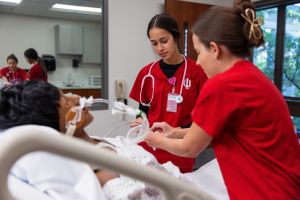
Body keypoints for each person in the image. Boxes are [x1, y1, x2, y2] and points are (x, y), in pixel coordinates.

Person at [145, 0, 300, 199]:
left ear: (215, 49)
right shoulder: (252, 76)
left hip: (265, 192)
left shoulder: (222, 85)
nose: (199, 62)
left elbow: (190, 148)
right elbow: (227, 128)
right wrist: (176, 132)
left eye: (199, 53)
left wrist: (156, 140)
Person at [0, 80, 228, 199]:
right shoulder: (97, 169)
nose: (76, 98)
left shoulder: (99, 140)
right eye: (67, 102)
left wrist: (174, 133)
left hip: (191, 182)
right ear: (57, 124)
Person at [129, 13, 208, 173]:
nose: (159, 48)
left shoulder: (197, 72)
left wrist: (178, 132)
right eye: (154, 43)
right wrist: (139, 121)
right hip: (149, 149)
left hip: (180, 149)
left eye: (164, 41)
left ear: (176, 37)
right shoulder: (147, 73)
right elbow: (142, 109)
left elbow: (203, 118)